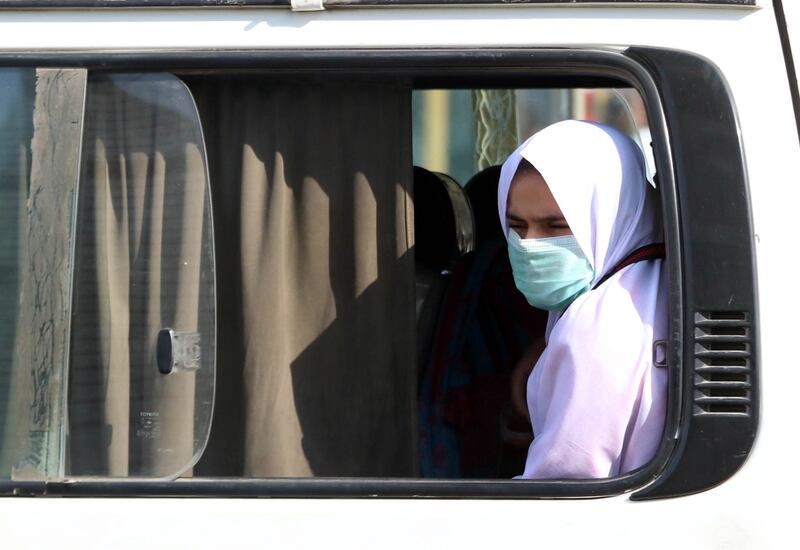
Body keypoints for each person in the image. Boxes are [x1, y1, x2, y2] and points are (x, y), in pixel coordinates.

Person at [498, 119, 667, 479]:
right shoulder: (653, 286)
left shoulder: (596, 326)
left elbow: (563, 487)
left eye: (555, 226)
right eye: (517, 226)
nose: (530, 245)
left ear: (609, 216)